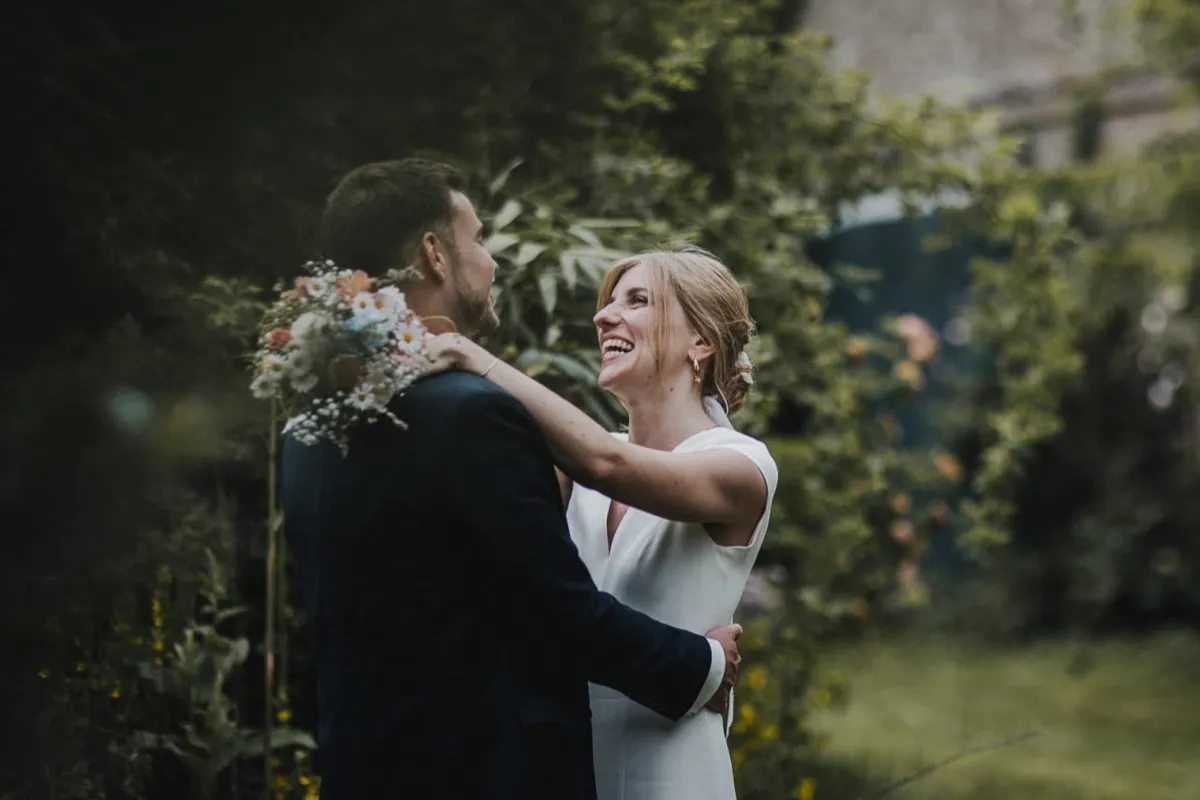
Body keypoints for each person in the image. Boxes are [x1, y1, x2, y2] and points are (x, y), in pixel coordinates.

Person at [280, 158, 743, 800]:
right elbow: (554, 610)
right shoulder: (472, 414)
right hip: (482, 768)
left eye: (637, 301)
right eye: (477, 237)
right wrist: (703, 665)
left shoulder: (309, 427)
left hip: (363, 763)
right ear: (435, 255)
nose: (492, 261)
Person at [427, 246, 779, 799]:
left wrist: (475, 359)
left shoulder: (742, 464)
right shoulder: (571, 469)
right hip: (563, 764)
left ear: (702, 342)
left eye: (637, 300)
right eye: (609, 302)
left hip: (674, 768)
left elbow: (606, 465)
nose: (603, 316)